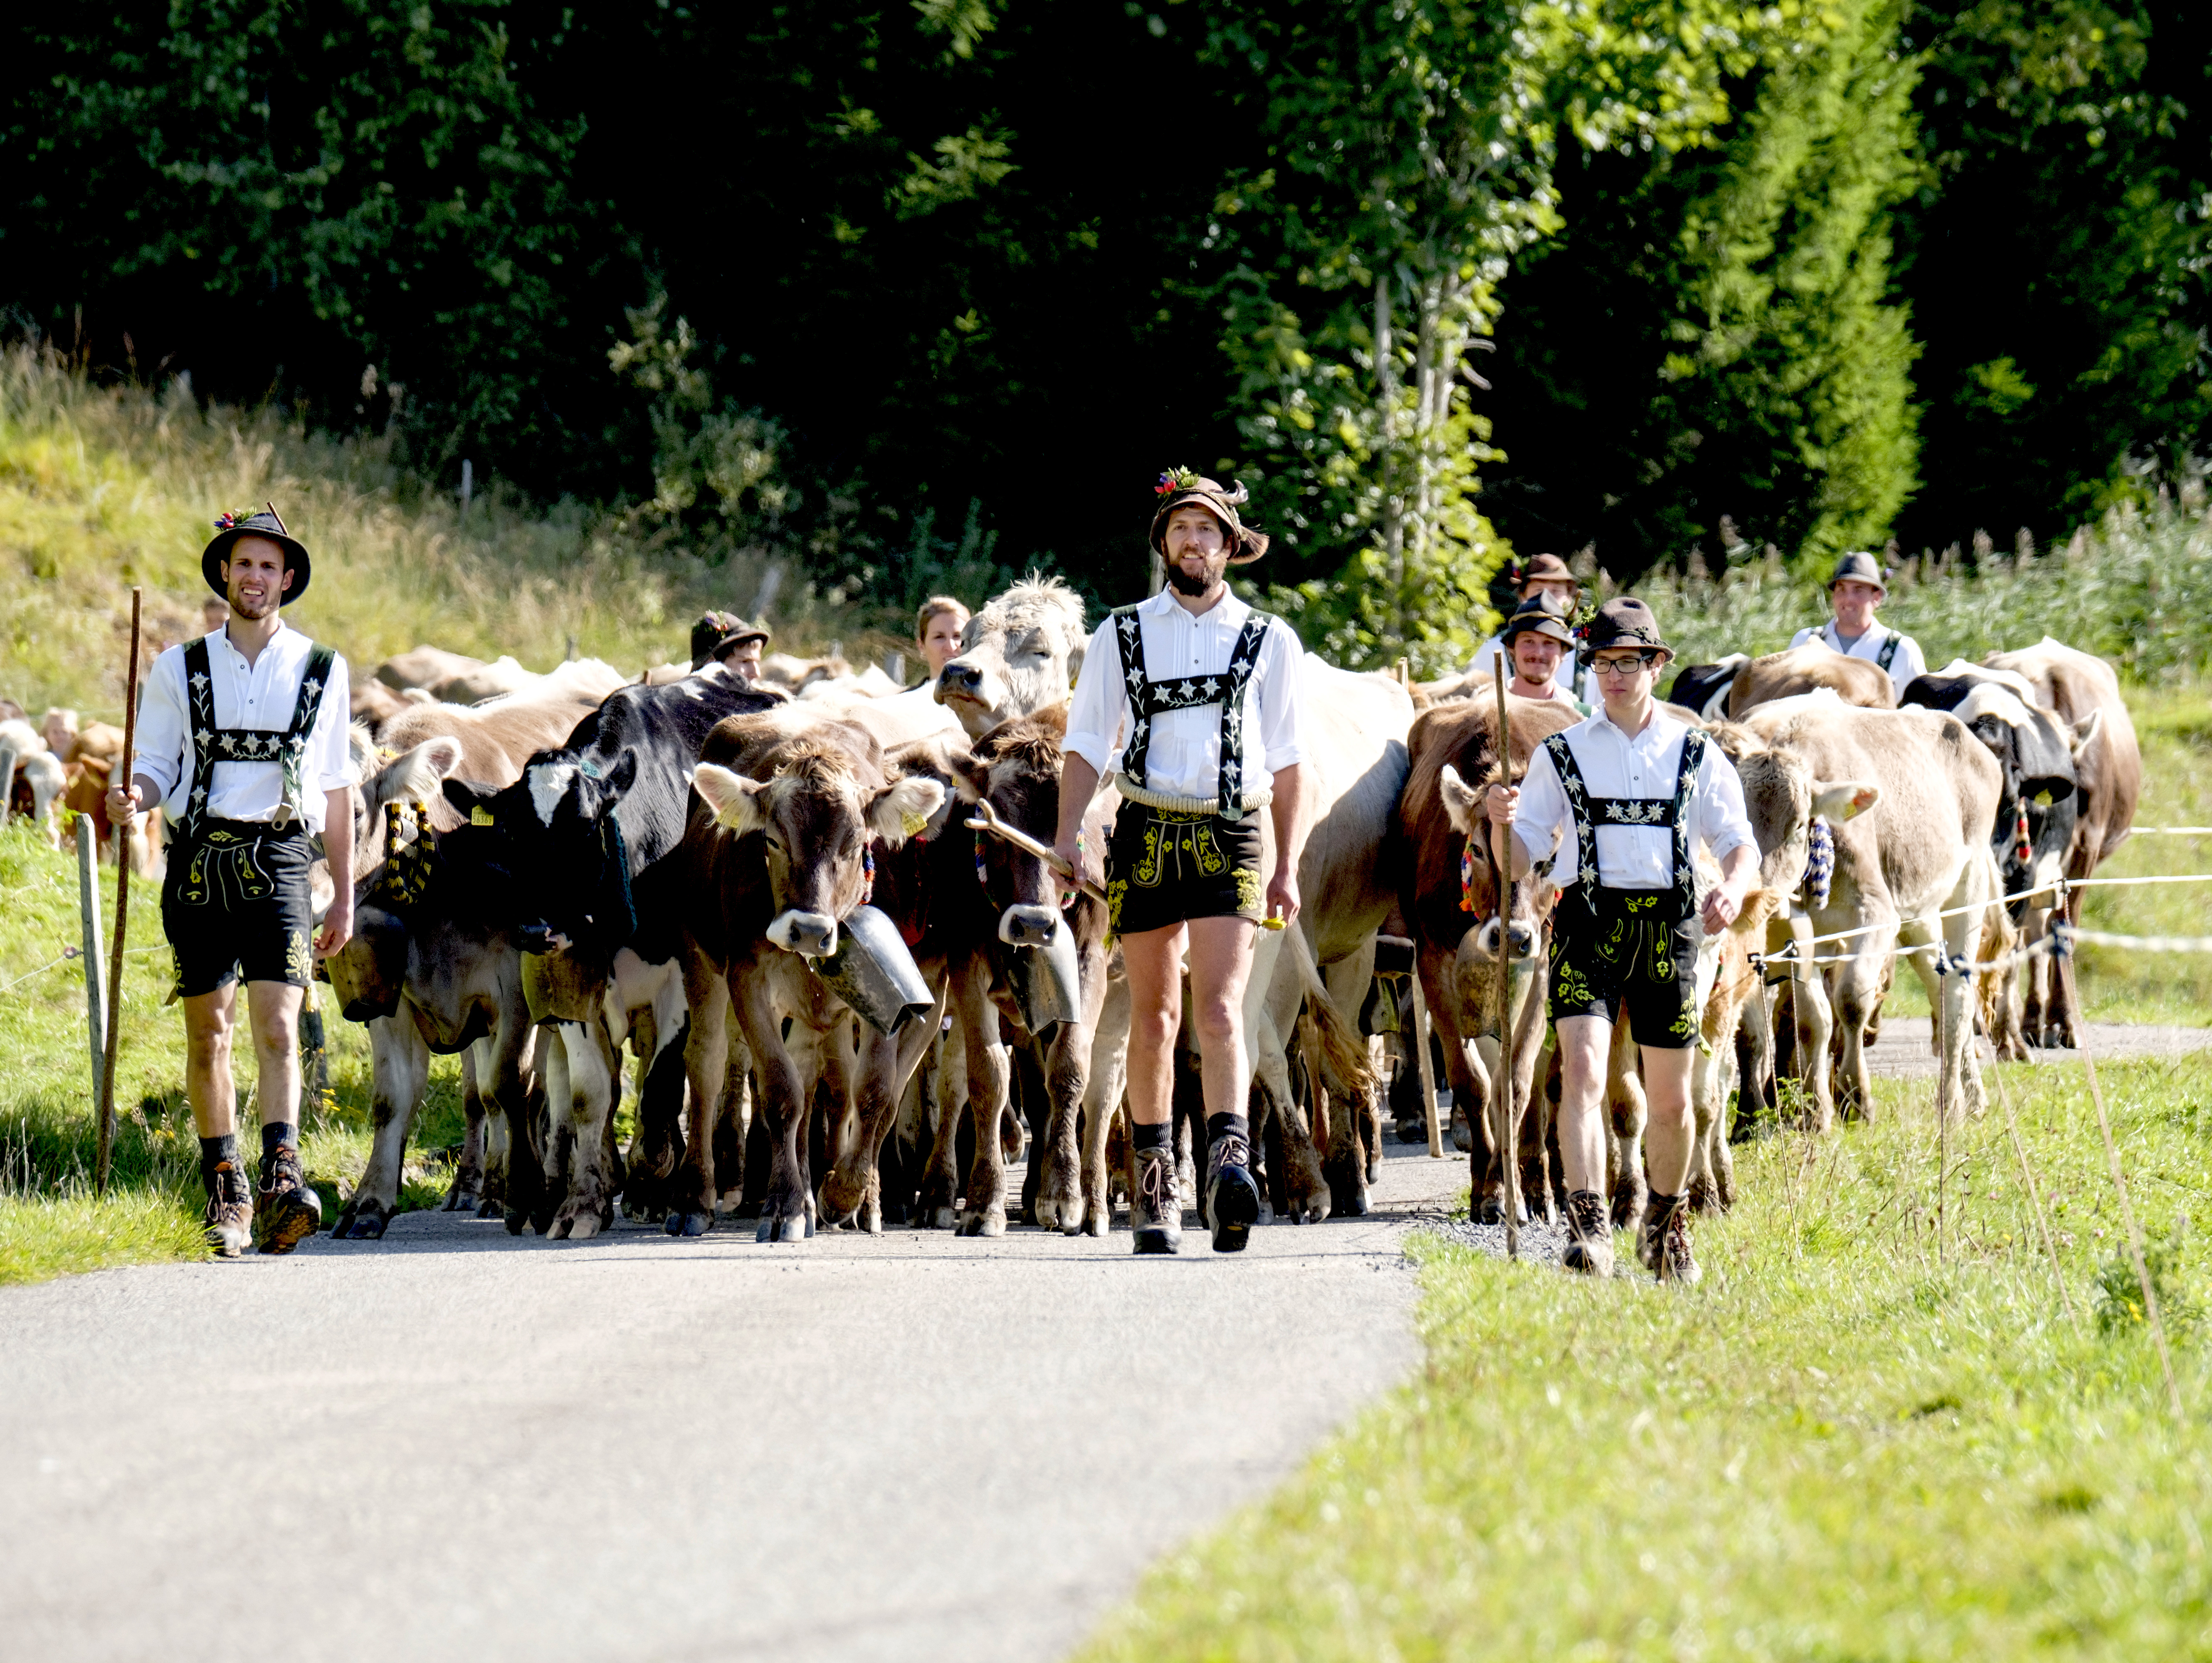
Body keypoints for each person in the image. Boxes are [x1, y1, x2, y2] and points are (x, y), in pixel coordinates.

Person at [1057, 470, 1308, 1255]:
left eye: (1207, 530)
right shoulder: (1121, 632)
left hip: (1233, 832)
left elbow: (1290, 761)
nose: (1193, 542)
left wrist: (1288, 866)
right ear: (1163, 544)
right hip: (1145, 833)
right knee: (1155, 1015)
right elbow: (1085, 742)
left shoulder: (1270, 639)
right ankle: (1156, 1189)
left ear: (1230, 546)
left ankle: (1230, 1171)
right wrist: (1068, 837)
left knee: (1223, 1010)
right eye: (1180, 529)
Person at [1481, 597, 1757, 1284]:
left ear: (1656, 666)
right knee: (1582, 1073)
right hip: (1588, 925)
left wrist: (1733, 885)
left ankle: (1665, 1224)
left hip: (1672, 930)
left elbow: (1738, 840)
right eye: (1603, 663)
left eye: (1628, 663)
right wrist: (1497, 821)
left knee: (1672, 1100)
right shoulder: (1561, 753)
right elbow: (1518, 860)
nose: (1614, 677)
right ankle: (1588, 1226)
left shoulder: (1696, 752)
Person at [107, 507, 358, 1257]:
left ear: (288, 579)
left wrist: (345, 895)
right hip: (199, 862)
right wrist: (136, 795)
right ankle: (226, 1189)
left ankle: (284, 1177)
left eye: (267, 567)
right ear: (224, 572)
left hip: (282, 858)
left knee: (279, 1027)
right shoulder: (178, 667)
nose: (254, 577)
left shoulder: (323, 668)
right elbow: (156, 764)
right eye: (243, 563)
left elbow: (336, 788)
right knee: (208, 1031)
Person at [1789, 550, 1925, 700]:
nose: (1848, 599)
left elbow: (1921, 711)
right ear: (1833, 595)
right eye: (1841, 589)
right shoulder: (1805, 642)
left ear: (1877, 597)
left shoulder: (1901, 650)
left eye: (1858, 590)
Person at [1466, 553, 1587, 701]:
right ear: (1522, 596)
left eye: (1556, 591)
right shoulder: (1494, 649)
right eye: (1539, 591)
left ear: (1569, 598)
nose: (1546, 598)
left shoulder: (1589, 652)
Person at [1496, 592, 1591, 715]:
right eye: (1529, 641)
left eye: (1549, 643)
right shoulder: (1485, 714)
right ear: (1511, 648)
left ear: (1563, 652)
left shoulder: (1586, 719)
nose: (1539, 653)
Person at [688, 612, 770, 685]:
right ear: (711, 665)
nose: (756, 673)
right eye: (744, 661)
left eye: (756, 662)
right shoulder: (687, 697)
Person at [916, 595, 970, 681]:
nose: (951, 647)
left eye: (958, 636)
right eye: (939, 637)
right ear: (922, 645)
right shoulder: (910, 693)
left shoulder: (991, 690)